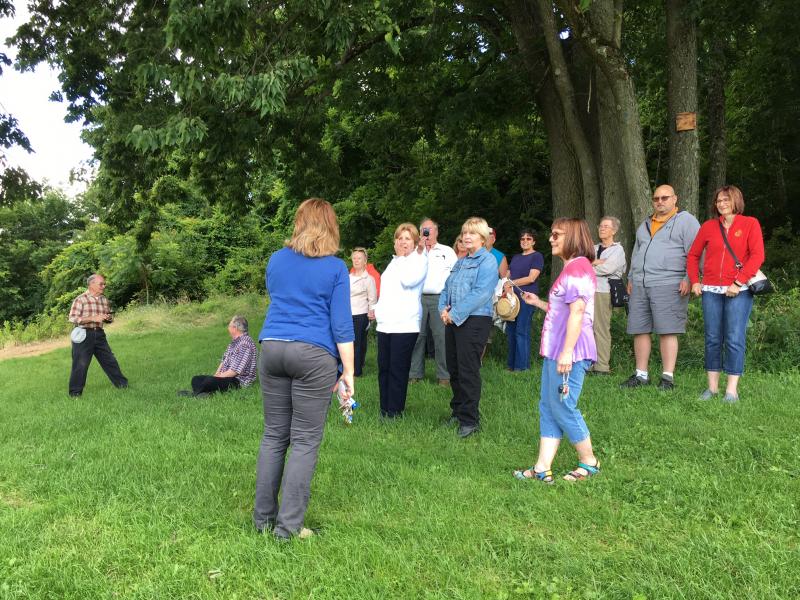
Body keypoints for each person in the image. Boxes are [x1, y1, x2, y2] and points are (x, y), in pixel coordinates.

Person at [253, 198, 355, 540]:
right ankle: (288, 528)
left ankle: (262, 520)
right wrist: (349, 372)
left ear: (299, 222)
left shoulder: (276, 260)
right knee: (305, 441)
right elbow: (341, 325)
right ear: (330, 225)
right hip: (313, 355)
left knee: (273, 435)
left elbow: (278, 298)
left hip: (272, 348)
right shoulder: (336, 268)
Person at [513, 218, 599, 483]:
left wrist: (567, 353)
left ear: (572, 237)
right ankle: (542, 468)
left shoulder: (577, 269)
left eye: (557, 235)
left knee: (563, 405)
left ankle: (590, 461)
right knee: (548, 406)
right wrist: (539, 302)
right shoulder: (571, 268)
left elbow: (578, 312)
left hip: (570, 351)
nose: (551, 239)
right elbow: (563, 310)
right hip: (557, 349)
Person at [687, 185, 765, 403]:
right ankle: (711, 389)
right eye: (718, 200)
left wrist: (738, 282)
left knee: (734, 338)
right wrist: (695, 281)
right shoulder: (709, 226)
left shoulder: (750, 223)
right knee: (712, 338)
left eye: (726, 200)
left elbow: (757, 256)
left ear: (736, 201)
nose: (721, 204)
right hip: (711, 290)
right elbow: (693, 255)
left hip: (738, 290)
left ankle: (731, 391)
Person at [621, 184, 700, 391]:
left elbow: (696, 252)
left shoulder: (687, 221)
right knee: (640, 329)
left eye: (665, 198)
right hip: (640, 284)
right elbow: (636, 253)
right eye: (656, 198)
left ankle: (667, 377)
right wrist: (631, 276)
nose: (660, 202)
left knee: (667, 330)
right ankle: (641, 375)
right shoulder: (645, 224)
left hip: (670, 283)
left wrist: (689, 278)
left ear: (675, 199)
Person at [439, 217, 498, 437]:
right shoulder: (461, 261)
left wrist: (453, 314)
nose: (466, 237)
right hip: (453, 320)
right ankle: (458, 412)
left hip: (474, 321)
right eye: (464, 233)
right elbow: (446, 288)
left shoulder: (488, 261)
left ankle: (470, 421)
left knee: (468, 370)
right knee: (453, 368)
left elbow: (481, 293)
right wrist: (443, 310)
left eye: (471, 233)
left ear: (482, 238)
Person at [373, 223, 428, 418]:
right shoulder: (393, 262)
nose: (403, 242)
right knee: (384, 368)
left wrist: (405, 257)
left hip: (405, 324)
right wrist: (376, 310)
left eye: (407, 238)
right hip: (386, 324)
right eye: (400, 238)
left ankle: (395, 411)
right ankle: (384, 408)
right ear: (395, 241)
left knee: (398, 368)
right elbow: (386, 292)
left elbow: (408, 281)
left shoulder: (419, 260)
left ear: (415, 243)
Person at [409, 218, 457, 386]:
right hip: (417, 297)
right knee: (417, 336)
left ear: (436, 232)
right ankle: (414, 374)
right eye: (423, 230)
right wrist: (420, 249)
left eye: (429, 230)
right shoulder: (415, 251)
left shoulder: (447, 251)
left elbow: (454, 277)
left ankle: (444, 376)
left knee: (441, 337)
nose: (427, 234)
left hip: (439, 298)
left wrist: (451, 300)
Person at [68, 273, 128, 397]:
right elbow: (73, 318)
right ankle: (75, 394)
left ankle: (122, 385)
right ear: (91, 284)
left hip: (99, 334)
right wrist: (93, 318)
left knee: (110, 360)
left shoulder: (103, 299)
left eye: (104, 284)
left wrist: (108, 318)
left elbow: (107, 317)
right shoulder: (81, 299)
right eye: (101, 284)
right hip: (84, 335)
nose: (103, 286)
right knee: (80, 365)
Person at [177, 315, 257, 397]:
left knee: (209, 381)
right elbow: (224, 361)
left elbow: (234, 371)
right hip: (226, 377)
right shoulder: (234, 343)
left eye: (229, 326)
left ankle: (194, 394)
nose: (228, 328)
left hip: (238, 381)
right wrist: (216, 375)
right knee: (196, 379)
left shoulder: (245, 344)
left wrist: (217, 378)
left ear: (235, 328)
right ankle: (204, 393)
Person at [503, 228, 544, 372]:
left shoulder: (537, 256)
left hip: (527, 298)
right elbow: (508, 276)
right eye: (522, 239)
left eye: (528, 239)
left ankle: (522, 367)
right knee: (511, 332)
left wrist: (512, 283)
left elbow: (531, 278)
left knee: (522, 331)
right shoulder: (516, 257)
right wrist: (506, 286)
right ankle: (511, 365)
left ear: (534, 241)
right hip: (512, 299)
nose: (525, 241)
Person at [590, 217, 627, 375]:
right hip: (589, 290)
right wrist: (597, 262)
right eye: (600, 225)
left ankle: (602, 366)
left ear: (614, 231)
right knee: (587, 327)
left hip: (604, 291)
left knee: (601, 328)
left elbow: (608, 269)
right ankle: (589, 362)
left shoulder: (617, 250)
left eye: (606, 226)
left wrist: (592, 264)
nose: (602, 229)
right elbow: (581, 263)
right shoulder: (592, 248)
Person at [349, 247, 377, 377]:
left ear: (365, 261)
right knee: (347, 342)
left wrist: (372, 314)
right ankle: (346, 368)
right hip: (347, 314)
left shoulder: (369, 279)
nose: (356, 260)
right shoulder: (347, 277)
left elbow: (372, 299)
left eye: (359, 258)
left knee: (358, 343)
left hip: (361, 314)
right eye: (354, 258)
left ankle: (357, 371)